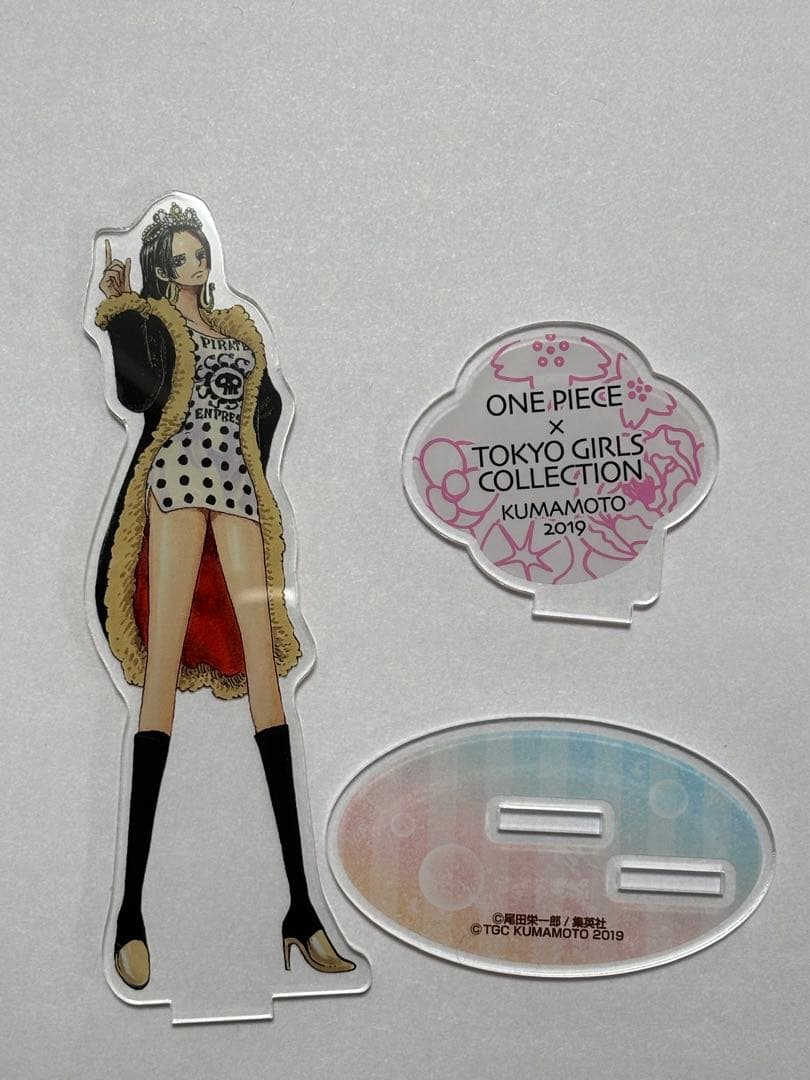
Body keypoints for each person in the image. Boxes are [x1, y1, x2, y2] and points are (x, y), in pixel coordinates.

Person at [94, 201, 354, 989]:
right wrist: (117, 311)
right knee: (160, 669)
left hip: (238, 487)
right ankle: (129, 912)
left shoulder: (237, 328)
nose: (195, 265)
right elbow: (136, 397)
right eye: (180, 257)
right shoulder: (151, 322)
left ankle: (302, 907)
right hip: (175, 481)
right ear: (162, 267)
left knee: (265, 666)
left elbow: (266, 408)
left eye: (199, 253)